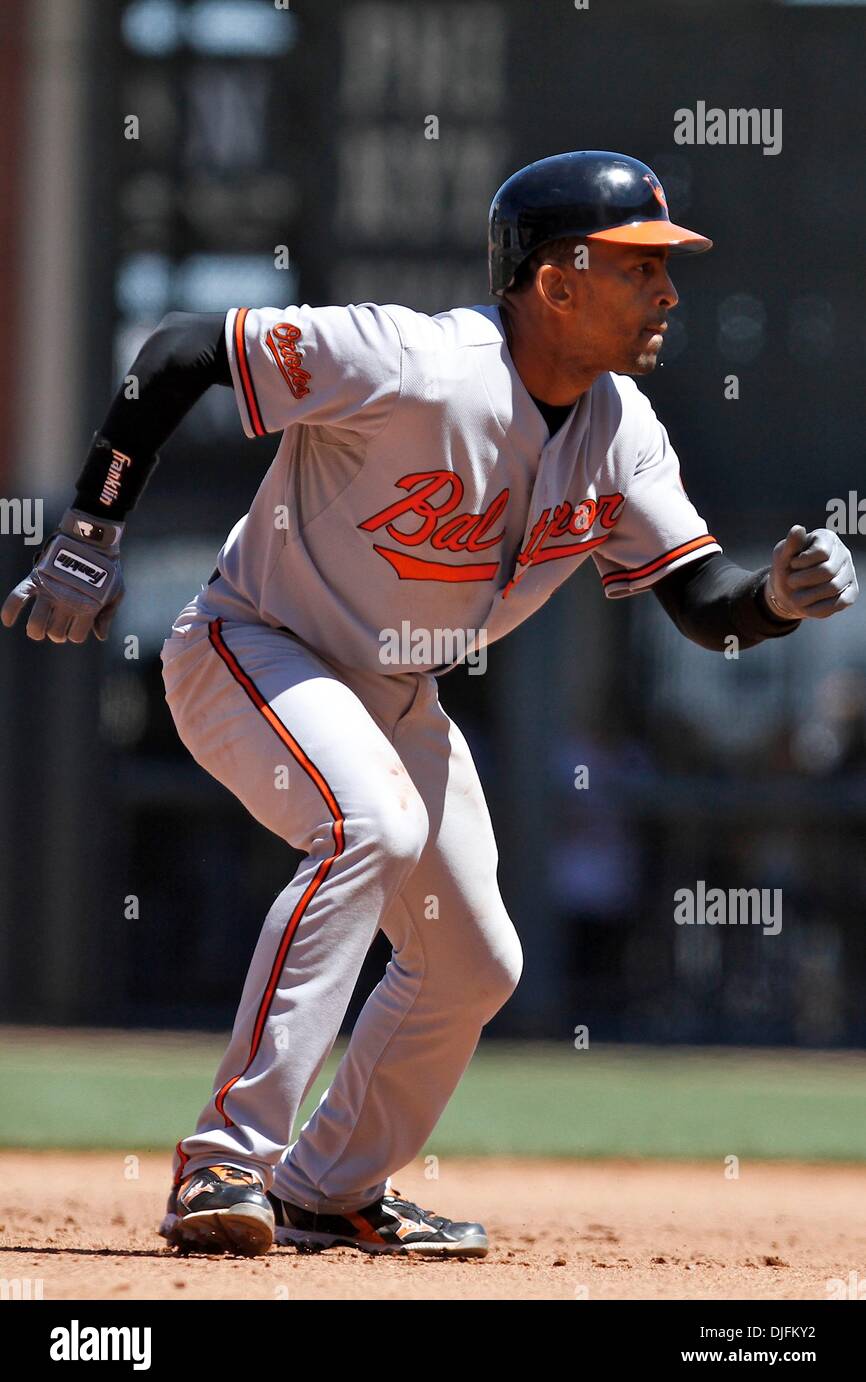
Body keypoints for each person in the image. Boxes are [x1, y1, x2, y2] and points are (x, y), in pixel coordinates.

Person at [3, 151, 857, 1258]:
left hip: (392, 693)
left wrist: (774, 603)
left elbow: (701, 604)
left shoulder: (620, 430)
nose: (668, 292)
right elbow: (179, 351)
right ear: (555, 281)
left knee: (473, 959)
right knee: (371, 825)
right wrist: (90, 527)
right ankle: (227, 1156)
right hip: (251, 647)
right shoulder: (410, 357)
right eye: (641, 266)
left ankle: (329, 1186)